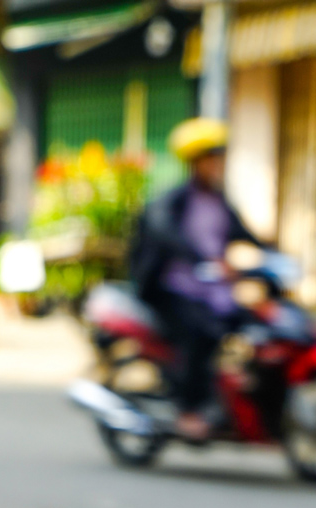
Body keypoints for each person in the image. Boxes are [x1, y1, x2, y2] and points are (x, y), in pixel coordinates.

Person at [129, 118, 264, 442]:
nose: (216, 165)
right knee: (198, 334)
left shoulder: (218, 201)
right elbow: (168, 235)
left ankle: (234, 397)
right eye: (210, 159)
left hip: (212, 291)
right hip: (172, 290)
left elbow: (244, 234)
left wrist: (273, 255)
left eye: (219, 158)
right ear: (194, 163)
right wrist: (202, 260)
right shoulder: (173, 201)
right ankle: (188, 410)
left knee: (250, 324)